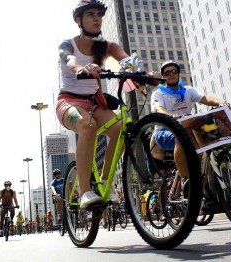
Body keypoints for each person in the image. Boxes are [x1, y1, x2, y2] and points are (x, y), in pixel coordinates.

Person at [56, 0, 158, 209]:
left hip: (95, 103)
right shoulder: (68, 44)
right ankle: (85, 192)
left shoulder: (107, 47)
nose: (96, 18)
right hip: (68, 101)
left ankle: (105, 181)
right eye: (90, 14)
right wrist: (81, 68)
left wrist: (147, 75)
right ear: (78, 20)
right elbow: (70, 60)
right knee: (87, 126)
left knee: (122, 129)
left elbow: (128, 62)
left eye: (99, 14)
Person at [150, 60, 230, 181]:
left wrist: (221, 102)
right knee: (181, 137)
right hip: (164, 132)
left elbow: (205, 98)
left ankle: (203, 181)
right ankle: (186, 180)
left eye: (174, 71)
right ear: (163, 76)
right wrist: (170, 115)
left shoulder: (188, 90)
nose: (171, 74)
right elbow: (158, 108)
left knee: (209, 140)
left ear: (178, 74)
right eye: (167, 73)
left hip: (189, 128)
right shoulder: (158, 93)